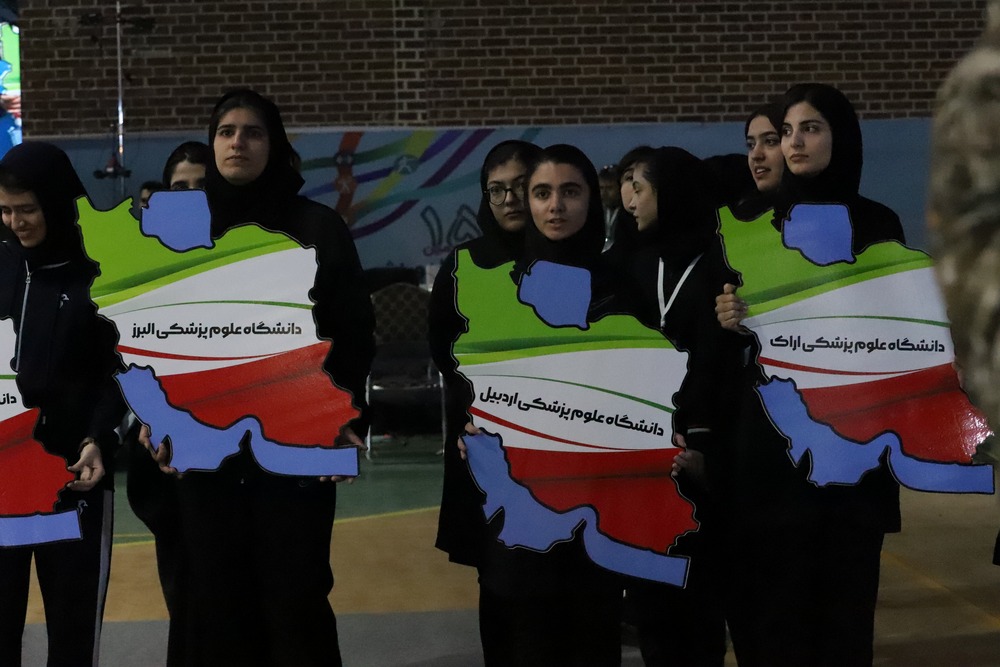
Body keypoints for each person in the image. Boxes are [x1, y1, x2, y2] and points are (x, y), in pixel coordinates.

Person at [143, 89, 375, 666]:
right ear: (212, 142)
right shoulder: (179, 231)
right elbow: (153, 332)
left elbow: (352, 333)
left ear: (274, 146)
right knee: (217, 603)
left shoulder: (316, 227)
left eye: (252, 132)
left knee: (295, 599)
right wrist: (152, 412)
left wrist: (342, 414)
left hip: (293, 449)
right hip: (207, 456)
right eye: (226, 132)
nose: (237, 143)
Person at [714, 83, 905, 667]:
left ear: (840, 137)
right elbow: (732, 337)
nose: (794, 143)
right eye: (787, 132)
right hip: (771, 448)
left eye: (811, 128)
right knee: (774, 619)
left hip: (851, 448)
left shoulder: (876, 222)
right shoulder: (750, 224)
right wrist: (731, 319)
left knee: (843, 618)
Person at [0, 142, 126, 667]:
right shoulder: (2, 262)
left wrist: (99, 436)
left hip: (73, 480)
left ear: (55, 202)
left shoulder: (101, 271)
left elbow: (120, 372)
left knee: (72, 638)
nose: (16, 223)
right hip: (4, 482)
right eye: (5, 210)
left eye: (27, 209)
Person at [619, 147, 744, 667]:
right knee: (654, 610)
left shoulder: (723, 264)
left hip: (703, 451)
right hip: (642, 454)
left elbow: (726, 367)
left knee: (700, 610)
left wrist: (705, 451)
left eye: (639, 187)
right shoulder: (630, 263)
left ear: (669, 192)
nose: (629, 200)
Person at [125, 140, 211, 624]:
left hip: (234, 451)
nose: (191, 196)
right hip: (166, 455)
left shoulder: (250, 254)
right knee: (183, 593)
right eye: (180, 187)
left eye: (203, 185)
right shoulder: (145, 264)